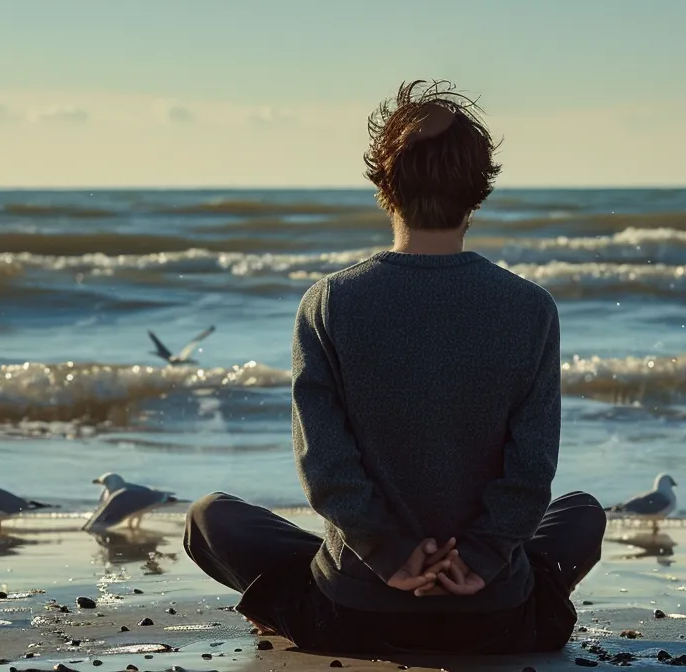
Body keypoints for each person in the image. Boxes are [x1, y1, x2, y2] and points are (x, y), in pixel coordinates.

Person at [184, 79, 604, 655]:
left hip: (355, 614)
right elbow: (531, 470)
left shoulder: (330, 302)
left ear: (384, 184)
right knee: (582, 512)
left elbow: (327, 466)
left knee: (210, 517)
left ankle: (318, 589)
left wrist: (389, 554)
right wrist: (478, 559)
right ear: (479, 191)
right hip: (496, 614)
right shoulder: (531, 307)